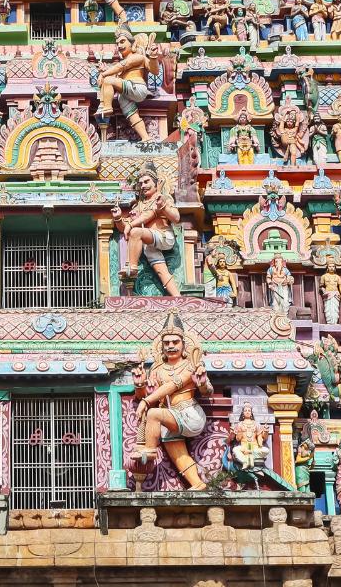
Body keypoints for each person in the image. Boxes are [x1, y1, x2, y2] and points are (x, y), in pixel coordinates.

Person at [131, 312, 212, 490]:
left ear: (184, 344)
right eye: (166, 343)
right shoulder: (157, 368)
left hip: (189, 414)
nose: (171, 346)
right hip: (170, 418)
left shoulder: (192, 364)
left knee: (153, 413)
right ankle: (197, 484)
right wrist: (140, 386)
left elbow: (177, 387)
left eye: (175, 342)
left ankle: (149, 451)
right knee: (177, 452)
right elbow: (145, 395)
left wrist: (203, 383)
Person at [112, 162, 181, 297]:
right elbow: (124, 228)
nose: (143, 185)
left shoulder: (163, 198)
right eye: (141, 183)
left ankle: (131, 267)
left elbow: (176, 218)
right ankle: (177, 297)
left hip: (164, 237)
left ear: (156, 183)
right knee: (161, 270)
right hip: (149, 243)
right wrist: (118, 218)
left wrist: (163, 207)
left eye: (147, 181)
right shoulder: (139, 205)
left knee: (136, 232)